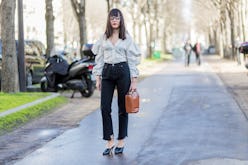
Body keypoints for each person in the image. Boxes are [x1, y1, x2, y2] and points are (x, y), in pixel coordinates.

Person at [92, 8, 141, 156]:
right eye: (112, 18)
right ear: (109, 20)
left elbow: (132, 60)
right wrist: (98, 78)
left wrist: (134, 80)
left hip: (122, 71)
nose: (114, 21)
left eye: (117, 18)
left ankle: (121, 140)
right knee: (104, 107)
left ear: (121, 20)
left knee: (122, 108)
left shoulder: (126, 37)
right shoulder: (104, 37)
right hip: (107, 72)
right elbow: (99, 58)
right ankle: (109, 139)